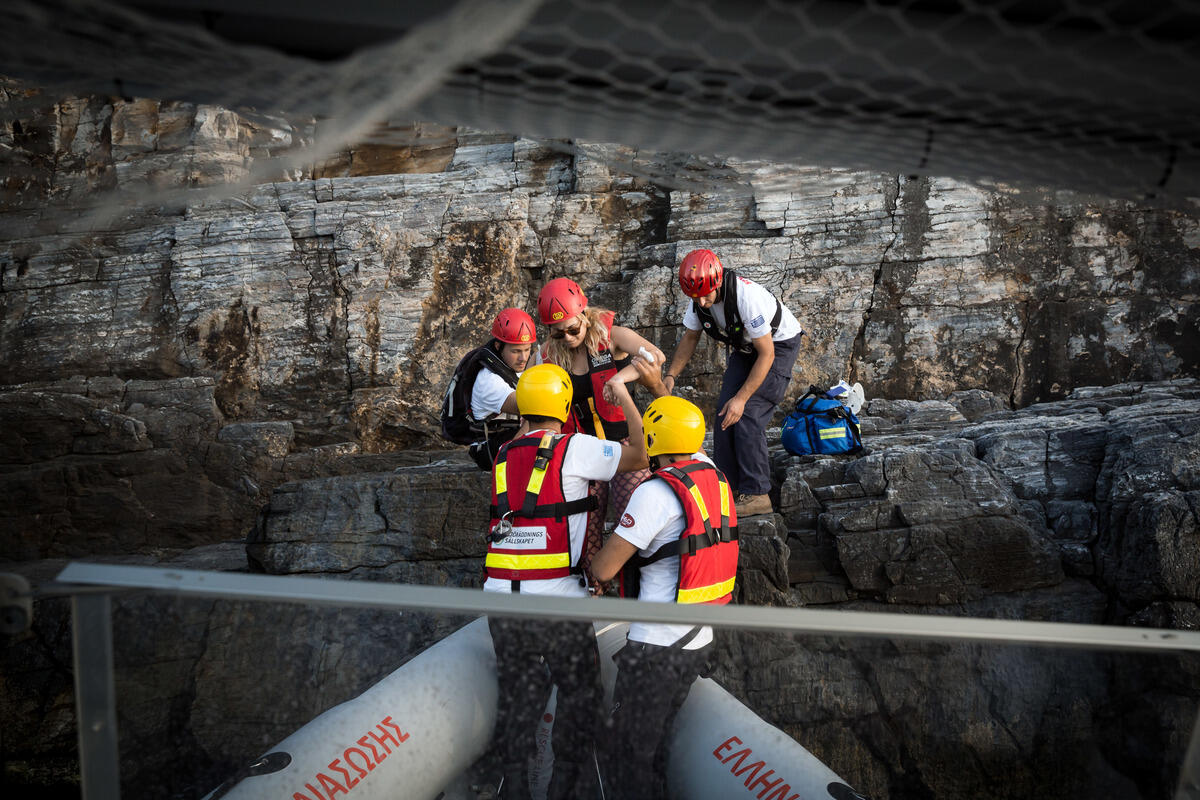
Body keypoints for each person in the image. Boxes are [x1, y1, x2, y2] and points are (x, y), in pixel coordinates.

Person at [485, 363, 649, 800]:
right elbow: (639, 456)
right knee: (579, 694)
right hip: (556, 602)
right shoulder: (574, 447)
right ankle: (565, 787)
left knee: (518, 696)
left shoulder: (504, 454)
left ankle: (514, 788)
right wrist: (624, 395)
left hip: (501, 601)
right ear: (563, 405)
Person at [588, 395, 739, 800]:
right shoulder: (713, 475)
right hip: (698, 640)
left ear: (655, 439)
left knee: (629, 754)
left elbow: (604, 568)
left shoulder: (655, 494)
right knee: (656, 749)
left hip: (655, 647)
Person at [537, 277, 664, 583]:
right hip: (583, 449)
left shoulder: (612, 336)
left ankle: (636, 586)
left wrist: (620, 379)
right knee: (586, 525)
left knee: (632, 512)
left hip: (624, 444)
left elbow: (655, 356)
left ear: (585, 316)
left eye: (573, 330)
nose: (567, 338)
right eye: (558, 333)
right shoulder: (547, 354)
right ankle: (593, 590)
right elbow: (532, 400)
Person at [662, 249, 804, 517]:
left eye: (706, 295)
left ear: (717, 281)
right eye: (695, 297)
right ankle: (729, 488)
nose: (701, 302)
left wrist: (741, 398)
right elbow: (690, 338)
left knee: (747, 413)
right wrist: (671, 375)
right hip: (746, 347)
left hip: (777, 345)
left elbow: (767, 354)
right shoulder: (698, 299)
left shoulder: (747, 298)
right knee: (724, 413)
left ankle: (758, 494)